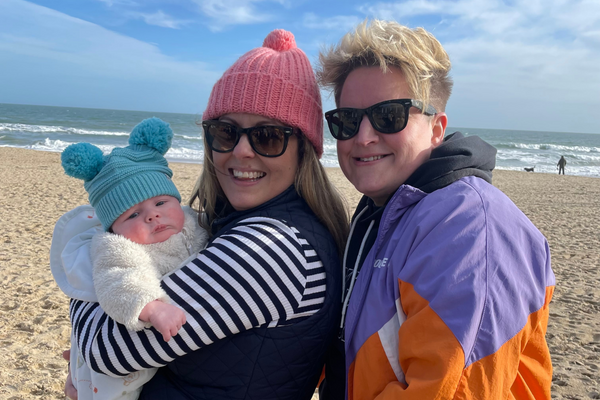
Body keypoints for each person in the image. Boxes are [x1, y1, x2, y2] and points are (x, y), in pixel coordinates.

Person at [60, 29, 348, 400]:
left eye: (269, 136)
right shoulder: (226, 224)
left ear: (304, 149)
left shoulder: (272, 249)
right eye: (226, 132)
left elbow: (106, 350)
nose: (242, 151)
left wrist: (87, 257)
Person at [317, 20, 555, 399]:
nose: (362, 137)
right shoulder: (384, 211)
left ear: (436, 128)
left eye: (389, 115)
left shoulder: (468, 229)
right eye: (346, 120)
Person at [51, 117, 208, 399]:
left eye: (161, 202)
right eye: (133, 214)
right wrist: (152, 307)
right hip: (128, 347)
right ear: (114, 226)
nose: (152, 214)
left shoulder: (192, 221)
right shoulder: (116, 246)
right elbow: (118, 281)